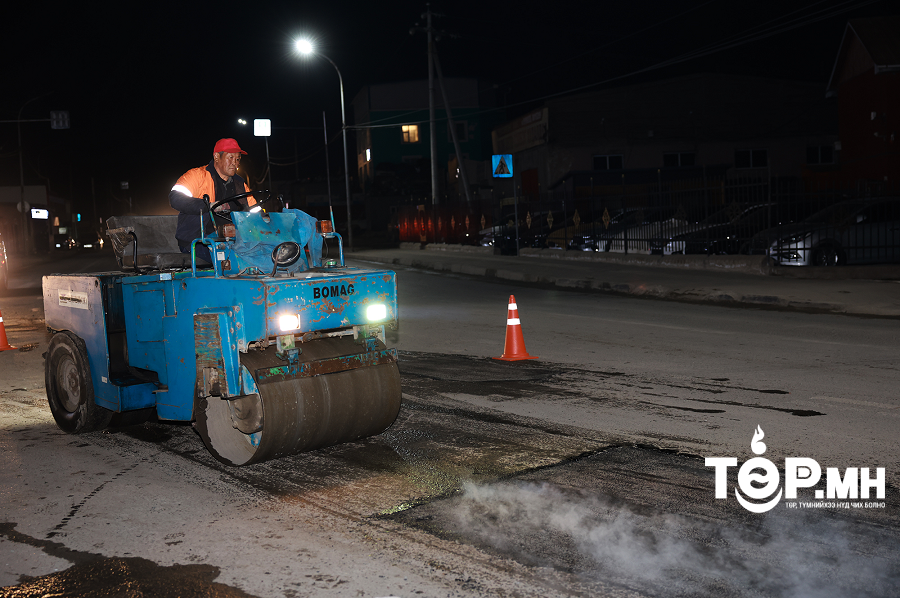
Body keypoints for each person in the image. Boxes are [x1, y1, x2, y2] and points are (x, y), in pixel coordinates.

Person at [169, 138, 257, 262]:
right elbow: (175, 198)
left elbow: (254, 211)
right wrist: (208, 206)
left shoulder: (240, 184)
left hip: (230, 240)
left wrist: (264, 219)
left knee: (259, 253)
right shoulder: (197, 176)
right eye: (230, 158)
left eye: (238, 159)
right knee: (231, 260)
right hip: (198, 241)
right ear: (216, 157)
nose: (235, 163)